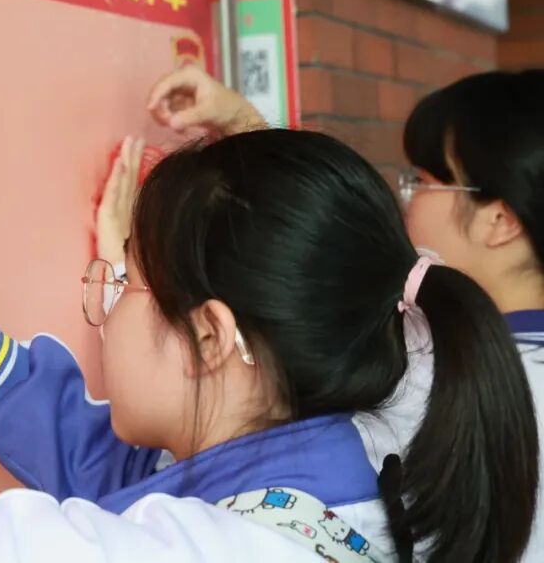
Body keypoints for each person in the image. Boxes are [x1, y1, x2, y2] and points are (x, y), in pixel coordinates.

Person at [0, 129, 537, 562]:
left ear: (211, 334)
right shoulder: (344, 468)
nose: (103, 312)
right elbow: (130, 477)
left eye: (125, 283)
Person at [140, 66, 544, 558]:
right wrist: (243, 124)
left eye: (423, 181)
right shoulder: (453, 350)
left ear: (499, 220)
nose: (406, 198)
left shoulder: (422, 365)